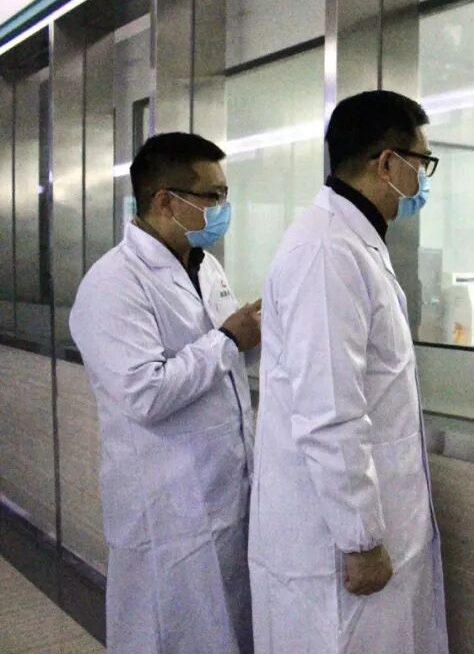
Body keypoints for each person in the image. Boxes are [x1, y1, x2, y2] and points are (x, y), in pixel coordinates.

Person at [249, 90, 448, 654]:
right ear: (387, 164)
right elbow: (328, 410)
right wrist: (360, 539)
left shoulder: (352, 242)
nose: (423, 180)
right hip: (332, 543)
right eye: (422, 163)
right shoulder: (327, 253)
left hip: (361, 526)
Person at [69, 132, 260, 653]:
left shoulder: (204, 266)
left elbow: (224, 362)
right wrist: (228, 340)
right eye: (212, 196)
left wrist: (258, 334)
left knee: (225, 629)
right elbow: (145, 394)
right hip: (167, 506)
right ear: (165, 201)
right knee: (165, 633)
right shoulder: (113, 283)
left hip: (223, 491)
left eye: (224, 195)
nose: (222, 208)